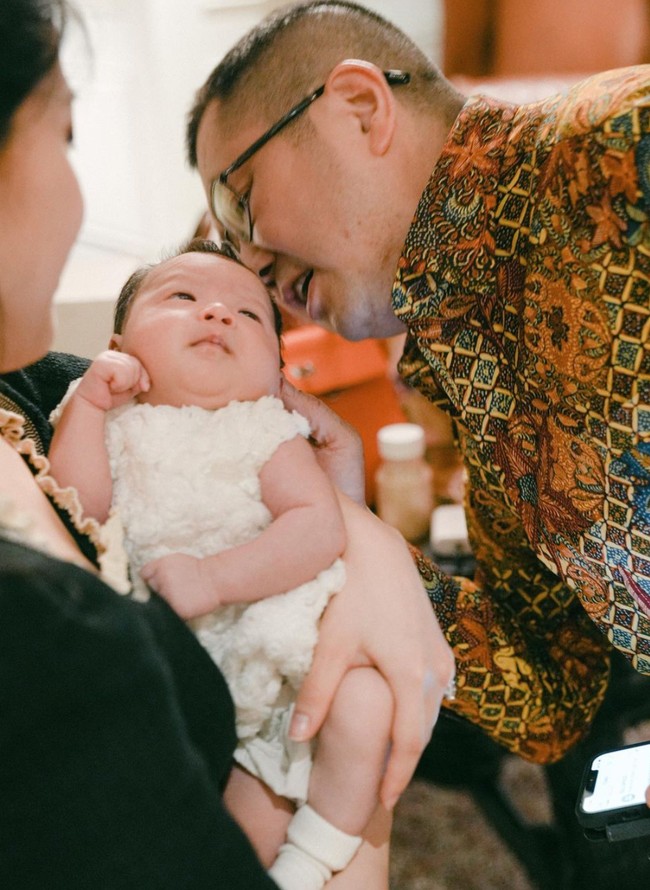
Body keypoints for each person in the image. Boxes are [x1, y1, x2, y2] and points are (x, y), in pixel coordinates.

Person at [0, 1, 454, 885]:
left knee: (355, 722)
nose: (235, 292)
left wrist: (368, 538)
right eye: (62, 135)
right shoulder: (47, 634)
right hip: (238, 736)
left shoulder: (28, 385)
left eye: (248, 310)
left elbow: (311, 497)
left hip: (278, 661)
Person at [185, 0, 650, 772]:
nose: (251, 264)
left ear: (361, 109)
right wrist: (343, 533)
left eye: (239, 203)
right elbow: (548, 697)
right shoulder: (467, 378)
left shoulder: (615, 140)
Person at [48, 238, 403, 890]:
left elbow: (317, 525)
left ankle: (310, 860)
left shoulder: (262, 427)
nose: (216, 315)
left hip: (274, 652)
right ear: (120, 344)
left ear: (276, 369)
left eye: (247, 314)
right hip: (179, 673)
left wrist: (215, 578)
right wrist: (91, 404)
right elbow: (80, 510)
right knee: (212, 823)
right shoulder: (103, 412)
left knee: (365, 705)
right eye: (182, 297)